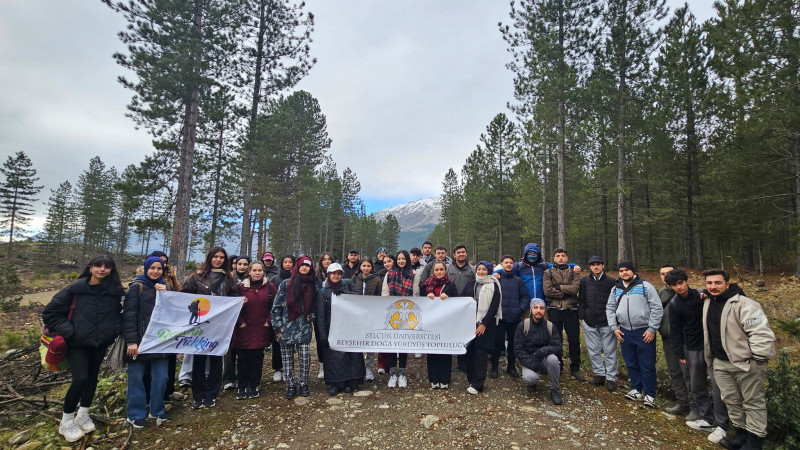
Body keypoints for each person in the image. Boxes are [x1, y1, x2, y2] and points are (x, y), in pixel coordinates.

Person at [42, 255, 124, 442]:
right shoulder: (74, 289)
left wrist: (114, 330)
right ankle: (66, 421)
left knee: (93, 377)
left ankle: (83, 413)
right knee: (80, 378)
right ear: (90, 267)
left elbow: (117, 314)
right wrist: (71, 331)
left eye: (107, 266)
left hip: (100, 343)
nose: (102, 269)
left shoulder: (114, 292)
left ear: (112, 269)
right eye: (98, 265)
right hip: (77, 343)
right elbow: (50, 313)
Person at [703, 269, 776, 449]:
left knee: (753, 403)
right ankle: (740, 437)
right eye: (709, 283)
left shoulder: (745, 304)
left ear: (727, 284)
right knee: (731, 400)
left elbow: (760, 332)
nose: (713, 286)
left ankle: (754, 442)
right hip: (720, 363)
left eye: (717, 283)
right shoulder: (707, 302)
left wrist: (758, 359)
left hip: (746, 363)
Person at [665, 269, 730, 445]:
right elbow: (675, 330)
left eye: (680, 282)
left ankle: (722, 423)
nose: (678, 287)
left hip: (713, 346)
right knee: (697, 384)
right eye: (674, 285)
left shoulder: (703, 295)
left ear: (687, 281)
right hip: (692, 348)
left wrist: (707, 292)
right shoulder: (675, 304)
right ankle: (706, 418)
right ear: (670, 287)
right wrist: (679, 352)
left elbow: (729, 293)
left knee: (718, 386)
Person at [181, 246, 239, 409]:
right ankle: (198, 395)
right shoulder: (196, 277)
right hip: (200, 324)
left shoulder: (229, 278)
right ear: (210, 258)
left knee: (215, 357)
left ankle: (212, 393)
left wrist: (239, 302)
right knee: (198, 359)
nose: (218, 260)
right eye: (216, 257)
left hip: (219, 325)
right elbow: (184, 296)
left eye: (221, 257)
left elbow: (234, 296)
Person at [606, 261, 662, 409]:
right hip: (624, 330)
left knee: (647, 364)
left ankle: (650, 394)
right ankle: (636, 389)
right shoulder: (615, 289)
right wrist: (613, 327)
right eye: (621, 271)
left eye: (627, 270)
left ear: (633, 271)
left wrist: (652, 328)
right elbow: (610, 308)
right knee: (631, 362)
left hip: (643, 330)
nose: (624, 273)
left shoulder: (645, 286)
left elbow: (657, 307)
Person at [123, 256, 170, 428]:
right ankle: (135, 414)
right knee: (136, 378)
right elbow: (128, 317)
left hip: (160, 341)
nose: (155, 271)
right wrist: (131, 341)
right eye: (152, 268)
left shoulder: (165, 288)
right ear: (146, 268)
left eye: (159, 269)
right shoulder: (137, 287)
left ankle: (157, 409)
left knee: (161, 377)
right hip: (139, 342)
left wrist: (167, 293)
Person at [271, 256, 321, 399]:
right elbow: (276, 307)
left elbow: (316, 307)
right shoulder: (286, 284)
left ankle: (303, 383)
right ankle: (290, 385)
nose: (304, 268)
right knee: (287, 359)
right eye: (302, 265)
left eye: (307, 266)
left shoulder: (313, 285)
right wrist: (277, 326)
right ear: (297, 267)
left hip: (304, 328)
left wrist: (312, 316)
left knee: (305, 357)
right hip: (286, 328)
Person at [317, 263, 365, 395]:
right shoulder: (323, 291)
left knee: (351, 355)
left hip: (349, 326)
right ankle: (334, 384)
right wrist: (322, 335)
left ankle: (350, 382)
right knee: (334, 357)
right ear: (328, 274)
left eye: (338, 273)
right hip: (332, 328)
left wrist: (345, 293)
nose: (336, 276)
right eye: (333, 273)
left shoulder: (348, 283)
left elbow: (358, 296)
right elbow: (320, 315)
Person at [233, 261, 276, 400]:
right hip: (244, 329)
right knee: (243, 358)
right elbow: (232, 307)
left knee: (257, 358)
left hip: (261, 328)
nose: (257, 273)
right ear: (249, 272)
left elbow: (275, 307)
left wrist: (268, 322)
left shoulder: (270, 287)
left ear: (263, 272)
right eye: (254, 270)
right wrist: (240, 322)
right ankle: (242, 385)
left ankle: (254, 384)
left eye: (260, 270)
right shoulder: (240, 288)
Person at [657, 264, 694, 418]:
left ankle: (695, 407)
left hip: (686, 341)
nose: (665, 276)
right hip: (668, 338)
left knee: (689, 374)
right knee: (675, 372)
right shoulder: (661, 293)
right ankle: (682, 403)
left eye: (669, 273)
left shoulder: (688, 293)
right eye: (662, 273)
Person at [543, 248, 584, 381]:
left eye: (563, 256)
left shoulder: (573, 272)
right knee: (556, 339)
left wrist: (559, 287)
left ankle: (575, 368)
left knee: (574, 340)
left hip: (571, 310)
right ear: (554, 258)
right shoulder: (548, 272)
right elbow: (547, 291)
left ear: (567, 258)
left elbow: (575, 288)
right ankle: (558, 365)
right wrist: (566, 291)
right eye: (557, 256)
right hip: (554, 310)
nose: (560, 258)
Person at [578, 256, 618, 391]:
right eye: (593, 264)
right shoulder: (584, 281)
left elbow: (616, 301)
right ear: (590, 266)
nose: (595, 267)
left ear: (603, 266)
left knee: (609, 350)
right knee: (593, 350)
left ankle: (611, 378)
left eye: (598, 264)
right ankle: (599, 375)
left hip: (606, 321)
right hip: (589, 320)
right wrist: (582, 315)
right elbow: (582, 299)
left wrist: (614, 319)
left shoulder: (612, 282)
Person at [515, 298, 563, 405]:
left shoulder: (550, 326)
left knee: (553, 359)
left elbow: (558, 347)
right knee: (530, 378)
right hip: (530, 359)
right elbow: (518, 349)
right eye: (535, 307)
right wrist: (531, 363)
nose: (538, 311)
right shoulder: (523, 326)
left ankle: (554, 390)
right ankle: (532, 383)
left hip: (544, 357)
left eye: (541, 308)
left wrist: (543, 351)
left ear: (545, 310)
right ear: (531, 309)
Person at [421, 260, 459, 389]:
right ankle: (433, 378)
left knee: (445, 351)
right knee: (432, 351)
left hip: (446, 323)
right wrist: (427, 297)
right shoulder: (425, 286)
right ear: (433, 271)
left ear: (445, 271)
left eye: (441, 269)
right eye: (436, 270)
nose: (439, 272)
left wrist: (449, 297)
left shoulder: (450, 285)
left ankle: (445, 379)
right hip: (430, 323)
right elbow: (419, 303)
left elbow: (458, 302)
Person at [492, 255, 530, 379]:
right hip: (500, 317)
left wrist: (520, 309)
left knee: (513, 344)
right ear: (501, 264)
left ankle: (511, 367)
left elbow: (525, 297)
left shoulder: (518, 280)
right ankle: (494, 367)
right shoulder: (496, 280)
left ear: (513, 265)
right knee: (497, 343)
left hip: (514, 318)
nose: (509, 264)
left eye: (511, 263)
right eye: (506, 262)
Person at [466, 261, 501, 394]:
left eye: (484, 269)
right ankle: (471, 378)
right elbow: (462, 298)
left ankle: (478, 384)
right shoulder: (471, 283)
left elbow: (494, 306)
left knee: (481, 354)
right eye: (479, 269)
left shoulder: (494, 285)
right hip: (470, 323)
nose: (481, 272)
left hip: (486, 325)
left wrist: (484, 324)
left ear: (489, 271)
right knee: (470, 352)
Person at [382, 251, 415, 388]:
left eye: (403, 258)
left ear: (407, 260)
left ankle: (402, 373)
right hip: (392, 313)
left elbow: (416, 292)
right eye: (399, 259)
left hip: (407, 312)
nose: (401, 261)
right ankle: (393, 373)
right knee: (391, 344)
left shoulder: (413, 274)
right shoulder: (389, 274)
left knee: (403, 344)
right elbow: (385, 292)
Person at [223, 255, 252, 390]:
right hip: (229, 318)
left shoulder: (252, 279)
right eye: (239, 264)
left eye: (245, 264)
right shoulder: (228, 278)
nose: (242, 266)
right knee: (229, 349)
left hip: (246, 317)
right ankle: (228, 378)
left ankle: (242, 376)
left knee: (243, 349)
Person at [352, 258, 382, 381]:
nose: (366, 268)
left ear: (371, 267)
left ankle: (368, 367)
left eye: (368, 266)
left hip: (371, 315)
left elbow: (380, 297)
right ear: (360, 267)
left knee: (370, 341)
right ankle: (358, 368)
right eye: (363, 265)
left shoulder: (376, 280)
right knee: (358, 341)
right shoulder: (354, 279)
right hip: (357, 315)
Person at [269, 254, 295, 382]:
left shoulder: (296, 278)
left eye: (290, 262)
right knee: (277, 343)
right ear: (281, 263)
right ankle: (278, 369)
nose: (288, 264)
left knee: (290, 345)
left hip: (292, 316)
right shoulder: (275, 279)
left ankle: (288, 369)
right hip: (279, 316)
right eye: (285, 262)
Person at [314, 252, 335, 379]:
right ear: (321, 262)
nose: (326, 261)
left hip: (334, 313)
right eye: (324, 259)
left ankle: (332, 364)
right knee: (320, 339)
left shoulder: (337, 276)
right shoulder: (316, 277)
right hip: (319, 312)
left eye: (329, 259)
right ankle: (322, 365)